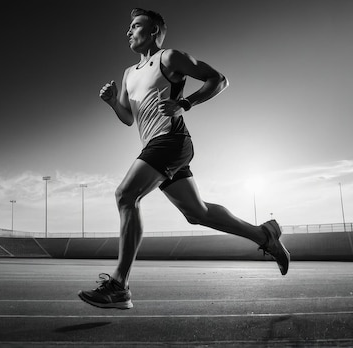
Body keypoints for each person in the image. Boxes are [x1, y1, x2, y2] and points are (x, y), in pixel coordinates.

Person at [78, 8, 290, 310]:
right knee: (197, 213)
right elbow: (128, 118)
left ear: (153, 32)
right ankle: (264, 235)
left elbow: (218, 79)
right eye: (128, 27)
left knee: (125, 195)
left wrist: (186, 103)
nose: (128, 31)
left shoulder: (168, 58)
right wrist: (113, 102)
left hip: (172, 141)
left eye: (136, 26)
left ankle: (119, 285)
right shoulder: (128, 74)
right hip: (157, 145)